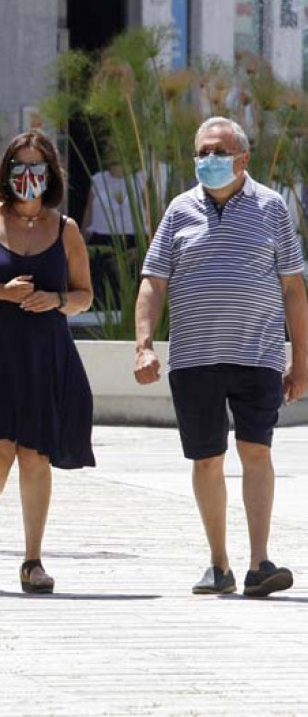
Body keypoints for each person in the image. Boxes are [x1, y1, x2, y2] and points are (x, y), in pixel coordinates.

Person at [135, 116, 308, 597]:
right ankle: (219, 565)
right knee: (207, 459)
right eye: (202, 152)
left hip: (258, 355)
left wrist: (302, 361)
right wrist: (144, 344)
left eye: (218, 151)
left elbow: (294, 288)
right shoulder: (178, 211)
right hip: (195, 359)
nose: (208, 160)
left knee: (257, 451)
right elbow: (153, 281)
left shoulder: (272, 208)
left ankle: (259, 563)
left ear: (242, 158)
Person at [0, 129, 95, 594]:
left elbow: (85, 295)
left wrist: (56, 299)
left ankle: (33, 560)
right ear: (7, 172)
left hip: (44, 354)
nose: (28, 177)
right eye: (19, 167)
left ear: (51, 175)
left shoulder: (65, 228)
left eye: (37, 168)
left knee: (35, 455)